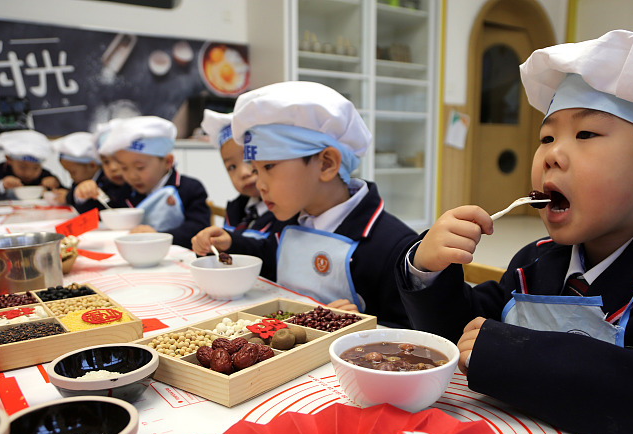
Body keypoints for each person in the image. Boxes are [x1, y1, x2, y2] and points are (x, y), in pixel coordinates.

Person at [395, 30, 633, 434]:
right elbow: (465, 337)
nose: (551, 156)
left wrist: (516, 355)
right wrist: (429, 270)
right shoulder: (535, 260)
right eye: (546, 138)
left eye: (585, 133)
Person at [230, 81, 418, 327]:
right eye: (255, 169)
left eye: (268, 167)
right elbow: (270, 255)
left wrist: (358, 325)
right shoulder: (286, 220)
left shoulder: (393, 247)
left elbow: (412, 332)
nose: (259, 184)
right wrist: (230, 243)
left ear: (327, 164)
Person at [191, 109, 290, 280]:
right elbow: (224, 258)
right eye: (231, 167)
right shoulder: (236, 209)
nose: (243, 172)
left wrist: (231, 242)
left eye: (249, 160)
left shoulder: (287, 210)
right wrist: (208, 247)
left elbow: (274, 257)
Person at [98, 116, 210, 249]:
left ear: (168, 162)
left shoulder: (190, 189)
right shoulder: (127, 190)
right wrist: (86, 196)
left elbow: (198, 229)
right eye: (124, 168)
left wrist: (158, 236)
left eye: (140, 167)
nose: (131, 176)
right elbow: (108, 212)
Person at [0, 129, 63, 201]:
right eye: (22, 167)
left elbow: (65, 192)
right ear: (8, 159)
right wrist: (1, 185)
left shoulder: (44, 175)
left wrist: (55, 184)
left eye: (35, 168)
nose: (28, 173)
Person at [52, 132, 104, 211]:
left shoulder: (105, 181)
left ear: (92, 166)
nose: (71, 176)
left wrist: (68, 197)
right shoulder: (81, 179)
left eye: (73, 172)